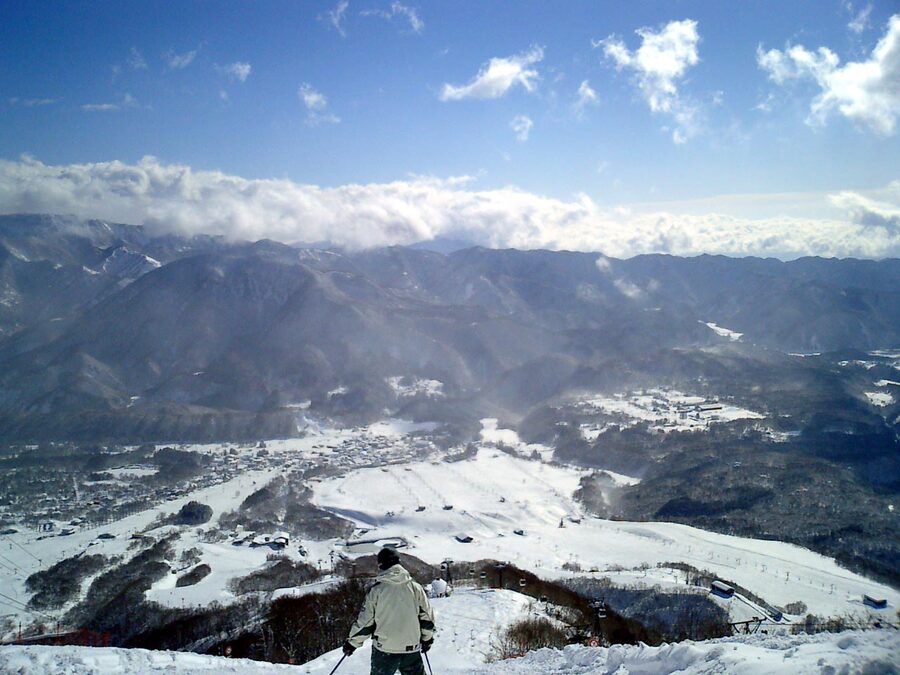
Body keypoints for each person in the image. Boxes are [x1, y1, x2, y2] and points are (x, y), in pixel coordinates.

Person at [343, 548, 436, 675]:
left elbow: (366, 622)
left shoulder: (376, 591)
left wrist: (352, 643)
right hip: (411, 649)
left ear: (381, 565)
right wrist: (427, 639)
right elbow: (427, 617)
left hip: (384, 650)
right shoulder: (416, 588)